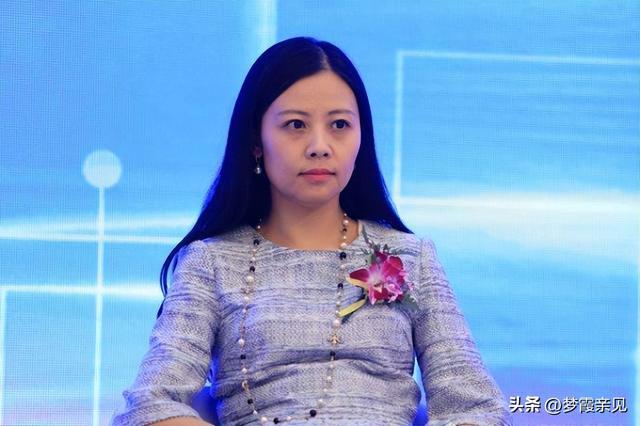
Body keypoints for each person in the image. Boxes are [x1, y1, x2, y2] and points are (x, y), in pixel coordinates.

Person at [111, 36, 511, 426]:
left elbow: (476, 407)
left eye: (339, 124)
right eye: (296, 125)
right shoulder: (210, 262)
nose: (320, 146)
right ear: (256, 141)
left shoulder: (410, 256)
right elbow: (150, 405)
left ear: (361, 138)